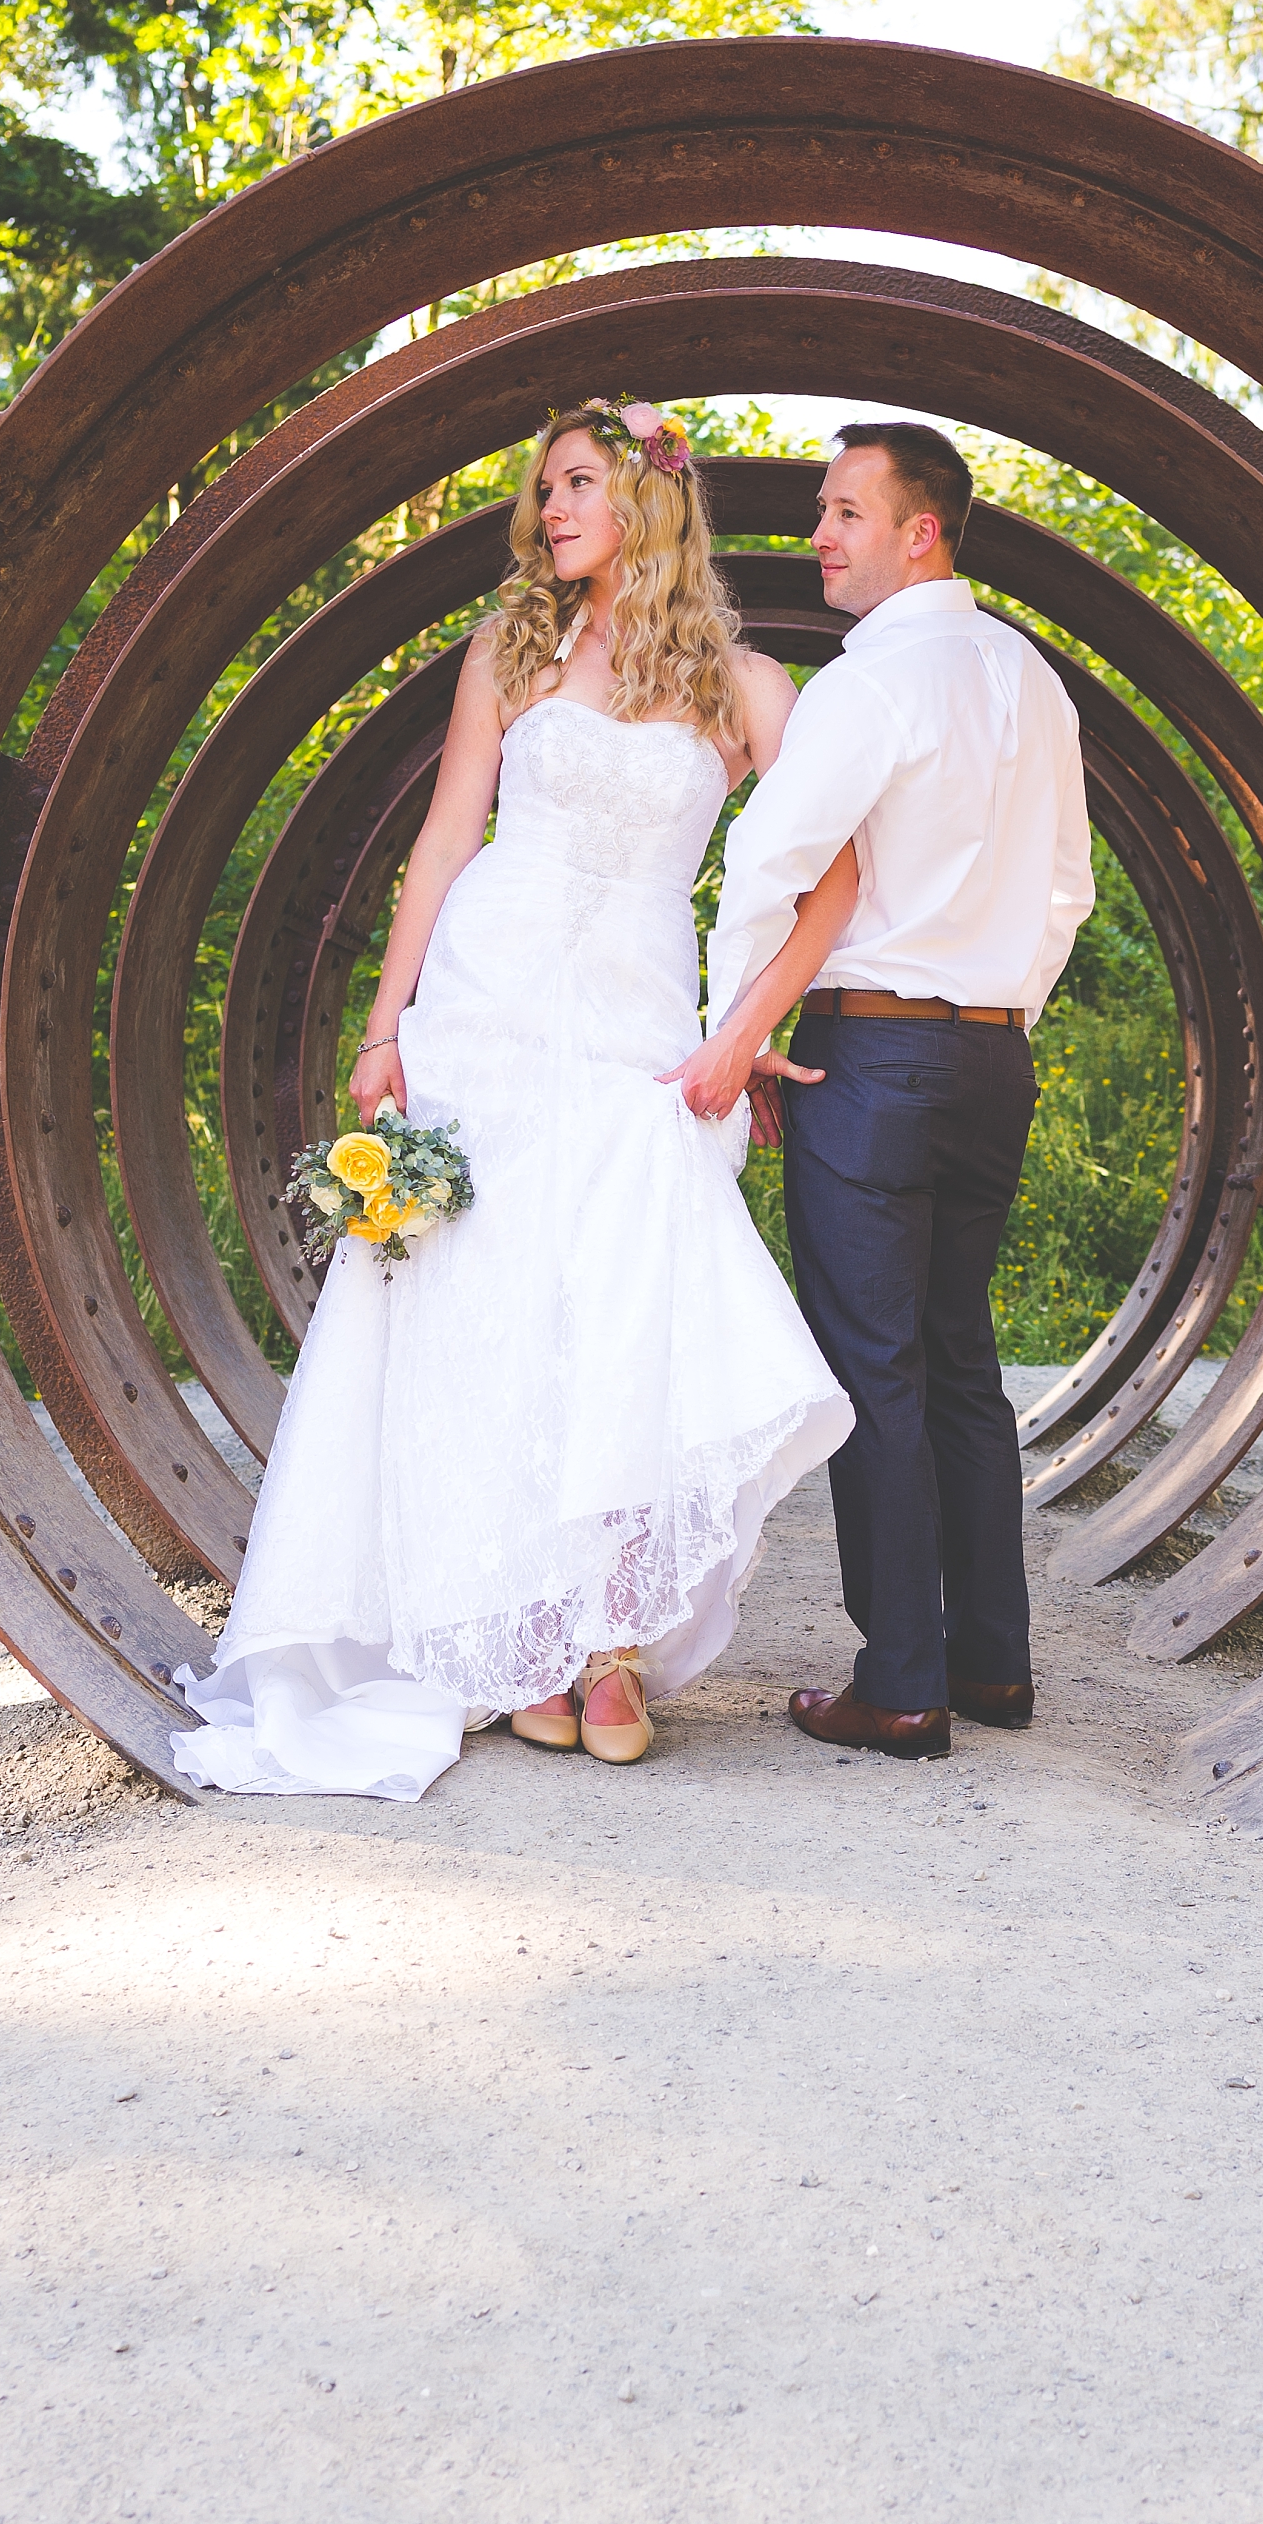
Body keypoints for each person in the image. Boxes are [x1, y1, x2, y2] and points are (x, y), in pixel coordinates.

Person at [172, 402, 856, 1800]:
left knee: (616, 1307)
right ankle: (524, 1635)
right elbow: (444, 836)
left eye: (578, 483)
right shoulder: (513, 650)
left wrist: (747, 1032)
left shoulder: (744, 688)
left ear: (652, 498)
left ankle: (612, 1639)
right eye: (544, 490)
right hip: (484, 1007)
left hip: (638, 1030)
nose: (550, 510)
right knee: (484, 1310)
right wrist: (383, 1028)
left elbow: (836, 877)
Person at [670, 423, 1093, 1763]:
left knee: (877, 1364)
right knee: (961, 1356)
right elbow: (1069, 890)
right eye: (821, 511)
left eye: (847, 510)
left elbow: (773, 860)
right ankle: (992, 1662)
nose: (821, 535)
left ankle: (901, 1678)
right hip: (988, 1058)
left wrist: (743, 1021)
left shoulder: (873, 680)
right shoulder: (1034, 681)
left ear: (926, 531)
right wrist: (996, 1014)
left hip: (875, 1053)